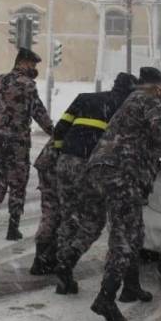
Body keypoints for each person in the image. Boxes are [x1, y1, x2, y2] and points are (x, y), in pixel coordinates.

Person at [58, 66, 161, 321]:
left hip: (97, 171)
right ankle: (106, 297)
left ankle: (76, 267)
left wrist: (158, 162)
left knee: (105, 226)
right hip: (122, 176)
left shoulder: (130, 101)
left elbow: (136, 140)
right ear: (157, 87)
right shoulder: (151, 100)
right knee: (125, 237)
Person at [48, 72, 140, 280]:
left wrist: (64, 153)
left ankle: (61, 264)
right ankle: (69, 259)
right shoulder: (125, 109)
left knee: (68, 215)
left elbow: (59, 130)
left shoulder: (84, 98)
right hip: (93, 168)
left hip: (66, 162)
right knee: (94, 220)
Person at [0, 47, 54, 241]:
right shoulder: (28, 85)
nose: (34, 68)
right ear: (22, 62)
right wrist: (55, 133)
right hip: (17, 139)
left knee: (1, 175)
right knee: (18, 180)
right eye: (32, 64)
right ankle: (13, 227)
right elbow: (39, 112)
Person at [30, 137, 61, 274]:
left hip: (48, 159)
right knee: (70, 213)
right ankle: (47, 257)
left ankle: (41, 258)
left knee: (50, 210)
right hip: (65, 163)